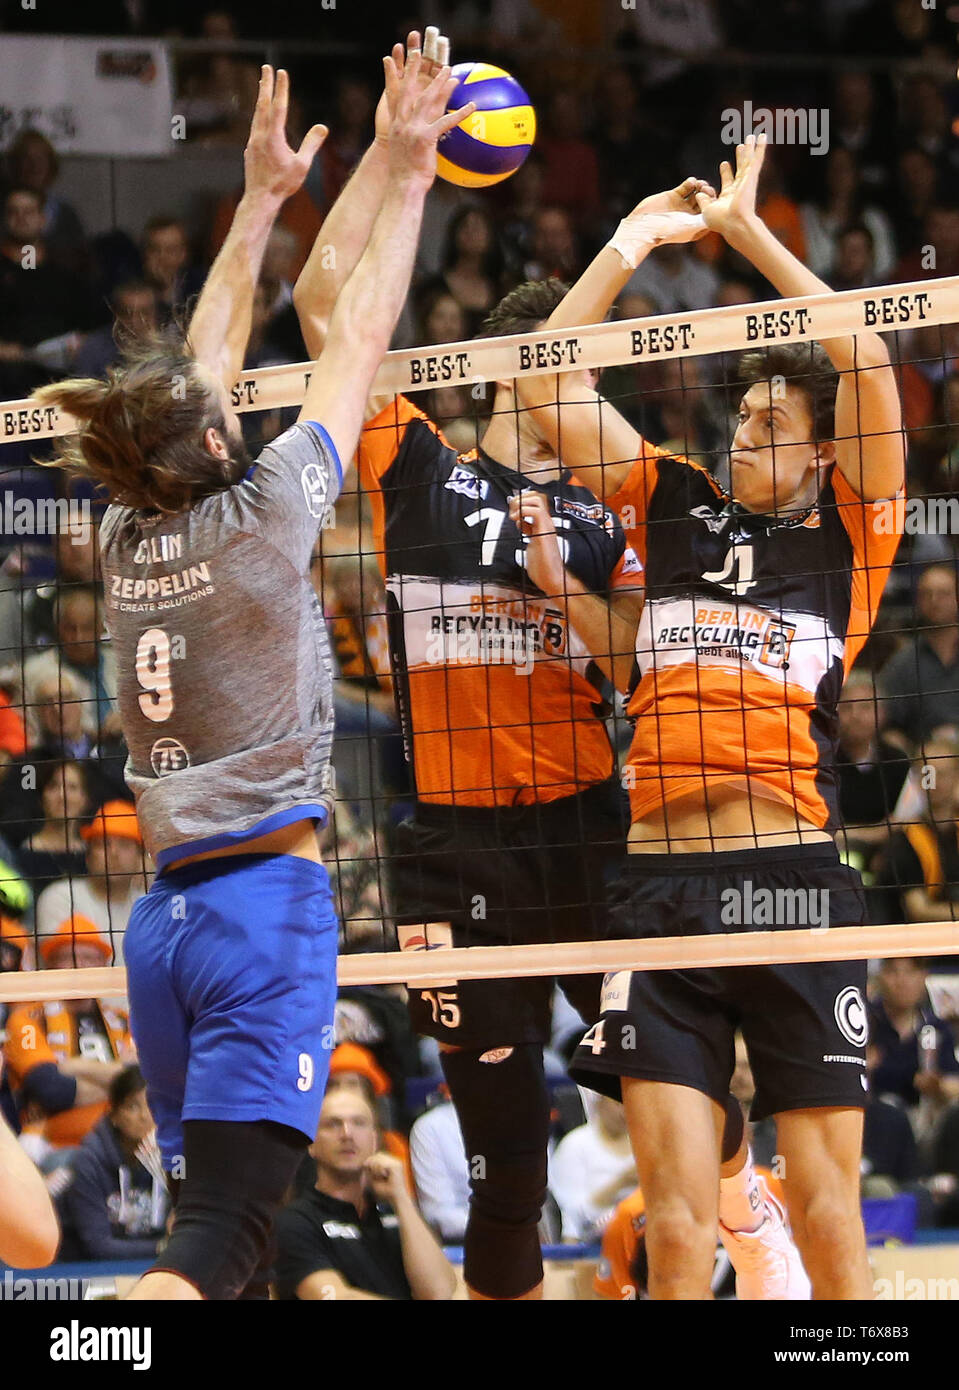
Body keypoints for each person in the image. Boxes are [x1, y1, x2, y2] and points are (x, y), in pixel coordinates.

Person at [297, 80, 794, 1298]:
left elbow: (637, 658)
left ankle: (751, 1217)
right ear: (497, 379)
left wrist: (552, 584)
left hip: (586, 832)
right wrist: (393, 156)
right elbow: (320, 306)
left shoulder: (604, 512)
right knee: (508, 1150)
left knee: (656, 1080)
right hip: (450, 852)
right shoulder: (414, 467)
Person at [33, 47, 472, 1303]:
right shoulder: (267, 513)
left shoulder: (128, 534)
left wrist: (263, 200)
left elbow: (206, 363)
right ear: (218, 443)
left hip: (164, 924)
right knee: (223, 1239)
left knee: (219, 1242)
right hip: (257, 920)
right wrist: (407, 163)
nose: (231, 406)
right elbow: (363, 334)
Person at [520, 134, 904, 1299]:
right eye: (742, 418)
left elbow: (865, 347)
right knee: (677, 1232)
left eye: (775, 425)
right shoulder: (674, 501)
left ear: (821, 452)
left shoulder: (853, 529)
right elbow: (542, 380)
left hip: (789, 879)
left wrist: (744, 236)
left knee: (828, 1206)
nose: (747, 435)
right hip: (658, 896)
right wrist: (633, 240)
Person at [273, 1086, 456, 1301]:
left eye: (358, 1123)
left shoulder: (397, 1214)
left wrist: (401, 1199)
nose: (347, 1134)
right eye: (333, 1124)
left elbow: (440, 1292)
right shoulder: (295, 1222)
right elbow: (332, 1297)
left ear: (375, 1140)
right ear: (312, 1144)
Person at [56, 1064, 170, 1261]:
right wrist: (163, 1246)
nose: (145, 1117)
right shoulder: (89, 1162)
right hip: (85, 1271)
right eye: (133, 1107)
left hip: (154, 1265)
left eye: (152, 1106)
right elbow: (98, 1246)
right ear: (114, 1115)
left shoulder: (174, 1157)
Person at [882, 564, 959, 742]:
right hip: (925, 759)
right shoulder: (902, 662)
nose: (935, 600)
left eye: (944, 593)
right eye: (927, 594)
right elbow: (889, 724)